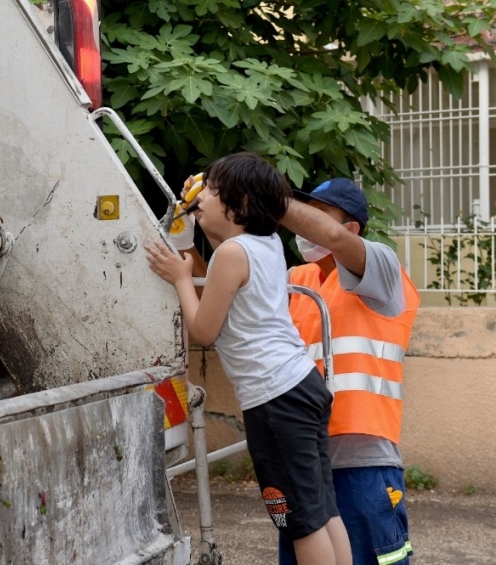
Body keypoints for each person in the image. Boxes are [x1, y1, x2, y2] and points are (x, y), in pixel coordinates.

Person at [146, 152, 352, 565]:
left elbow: (204, 330)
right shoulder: (266, 243)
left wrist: (182, 278)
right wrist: (198, 211)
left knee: (299, 520)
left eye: (214, 190)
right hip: (302, 386)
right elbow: (226, 245)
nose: (203, 195)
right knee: (322, 507)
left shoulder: (232, 254)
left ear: (240, 206)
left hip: (274, 398)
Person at [277, 178, 420, 565]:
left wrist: (266, 197)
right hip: (304, 459)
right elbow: (225, 298)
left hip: (363, 464)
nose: (300, 225)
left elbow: (337, 243)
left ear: (351, 228)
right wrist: (190, 242)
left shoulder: (383, 271)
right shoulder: (295, 280)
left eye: (316, 215)